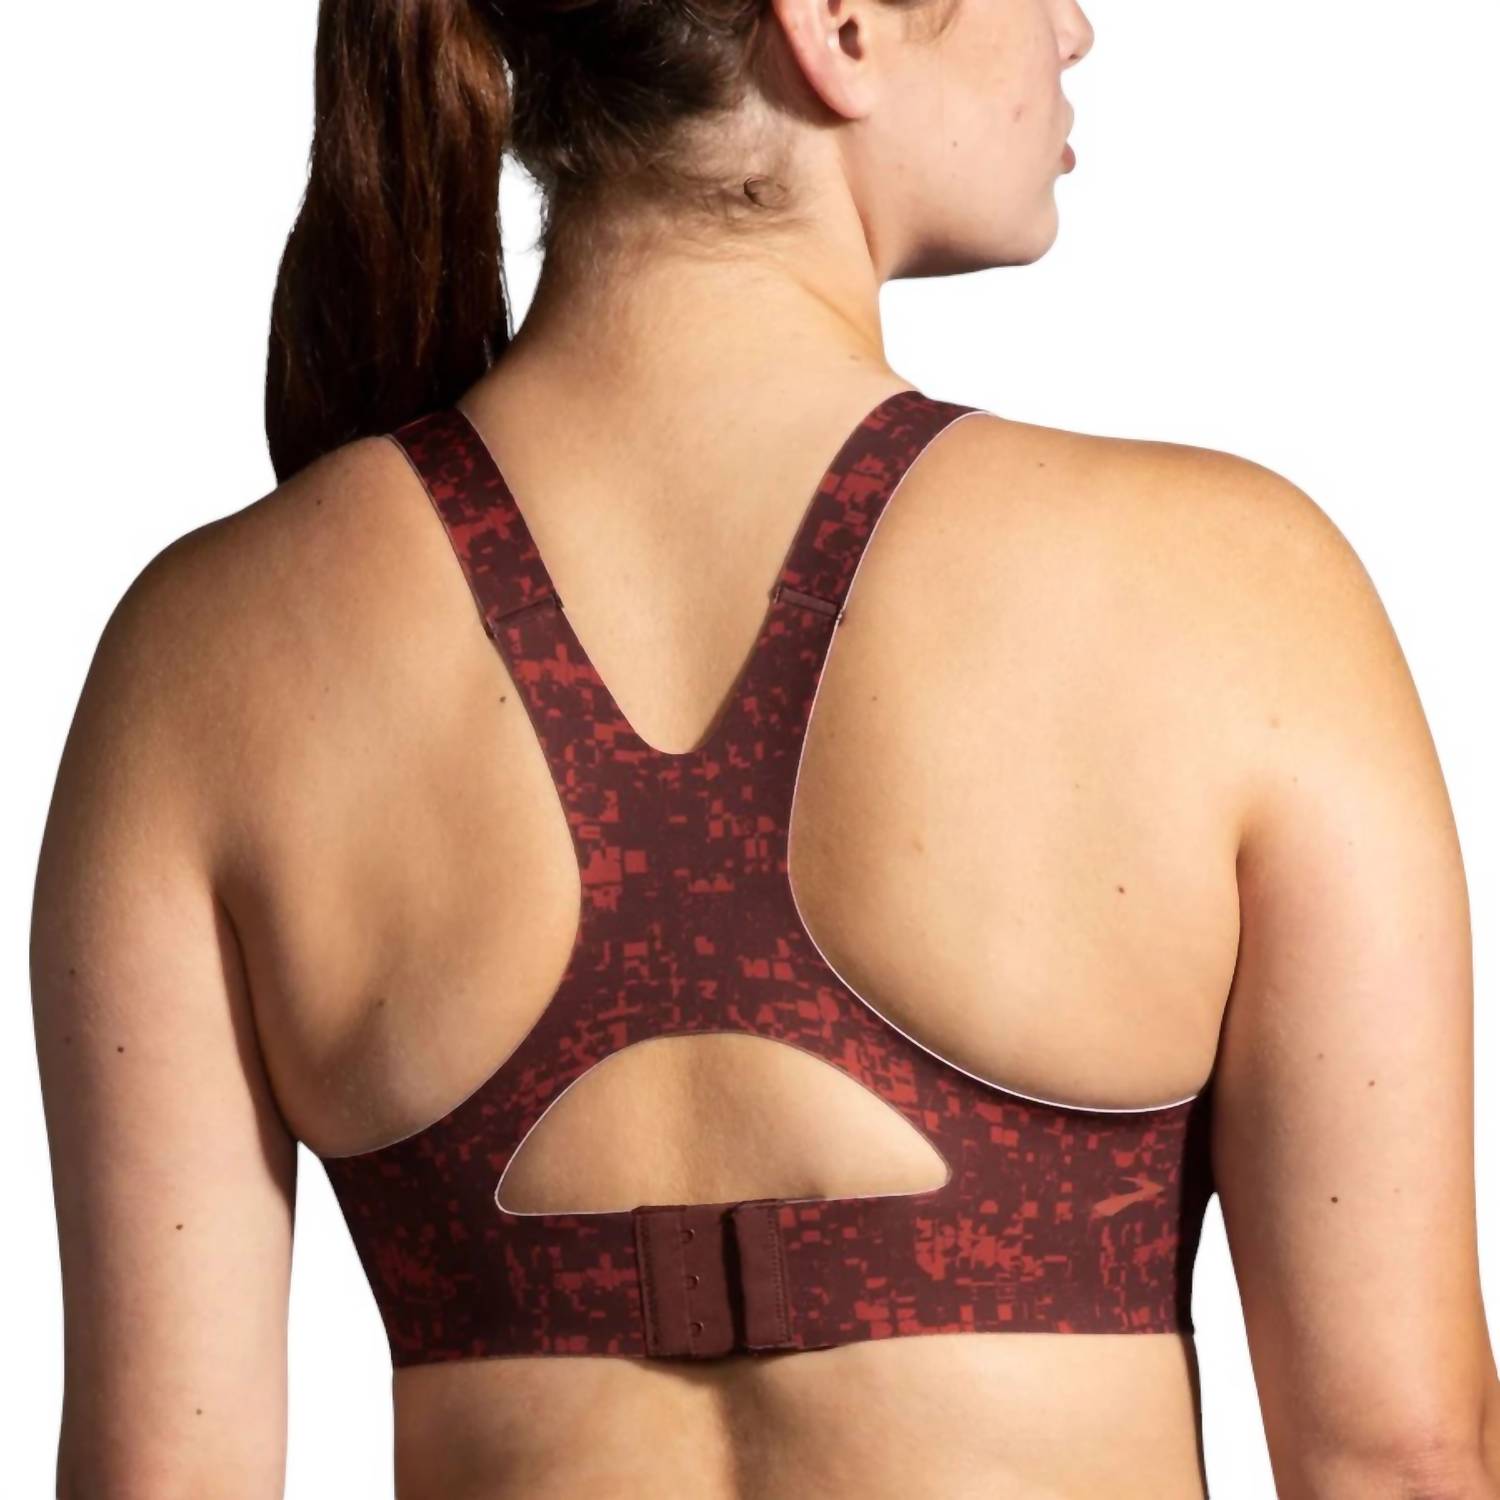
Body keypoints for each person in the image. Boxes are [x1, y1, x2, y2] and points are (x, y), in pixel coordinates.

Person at [30, 1, 1498, 1496]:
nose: (1071, 28)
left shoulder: (205, 662)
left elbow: (162, 1477)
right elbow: (1402, 1459)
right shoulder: (1232, 596)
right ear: (837, 22)